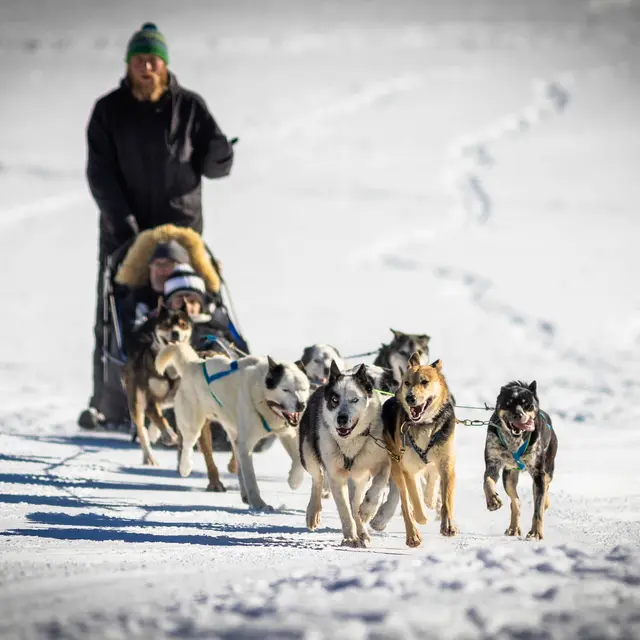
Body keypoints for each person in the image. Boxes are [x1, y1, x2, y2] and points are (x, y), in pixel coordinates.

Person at [79, 22, 234, 430]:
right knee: (119, 312)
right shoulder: (108, 110)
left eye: (153, 60)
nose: (146, 67)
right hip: (124, 234)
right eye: (139, 60)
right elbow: (100, 173)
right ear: (129, 65)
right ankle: (112, 405)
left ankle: (207, 403)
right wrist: (125, 225)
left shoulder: (190, 107)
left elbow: (216, 167)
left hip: (180, 232)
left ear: (164, 65)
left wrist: (220, 155)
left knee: (192, 309)